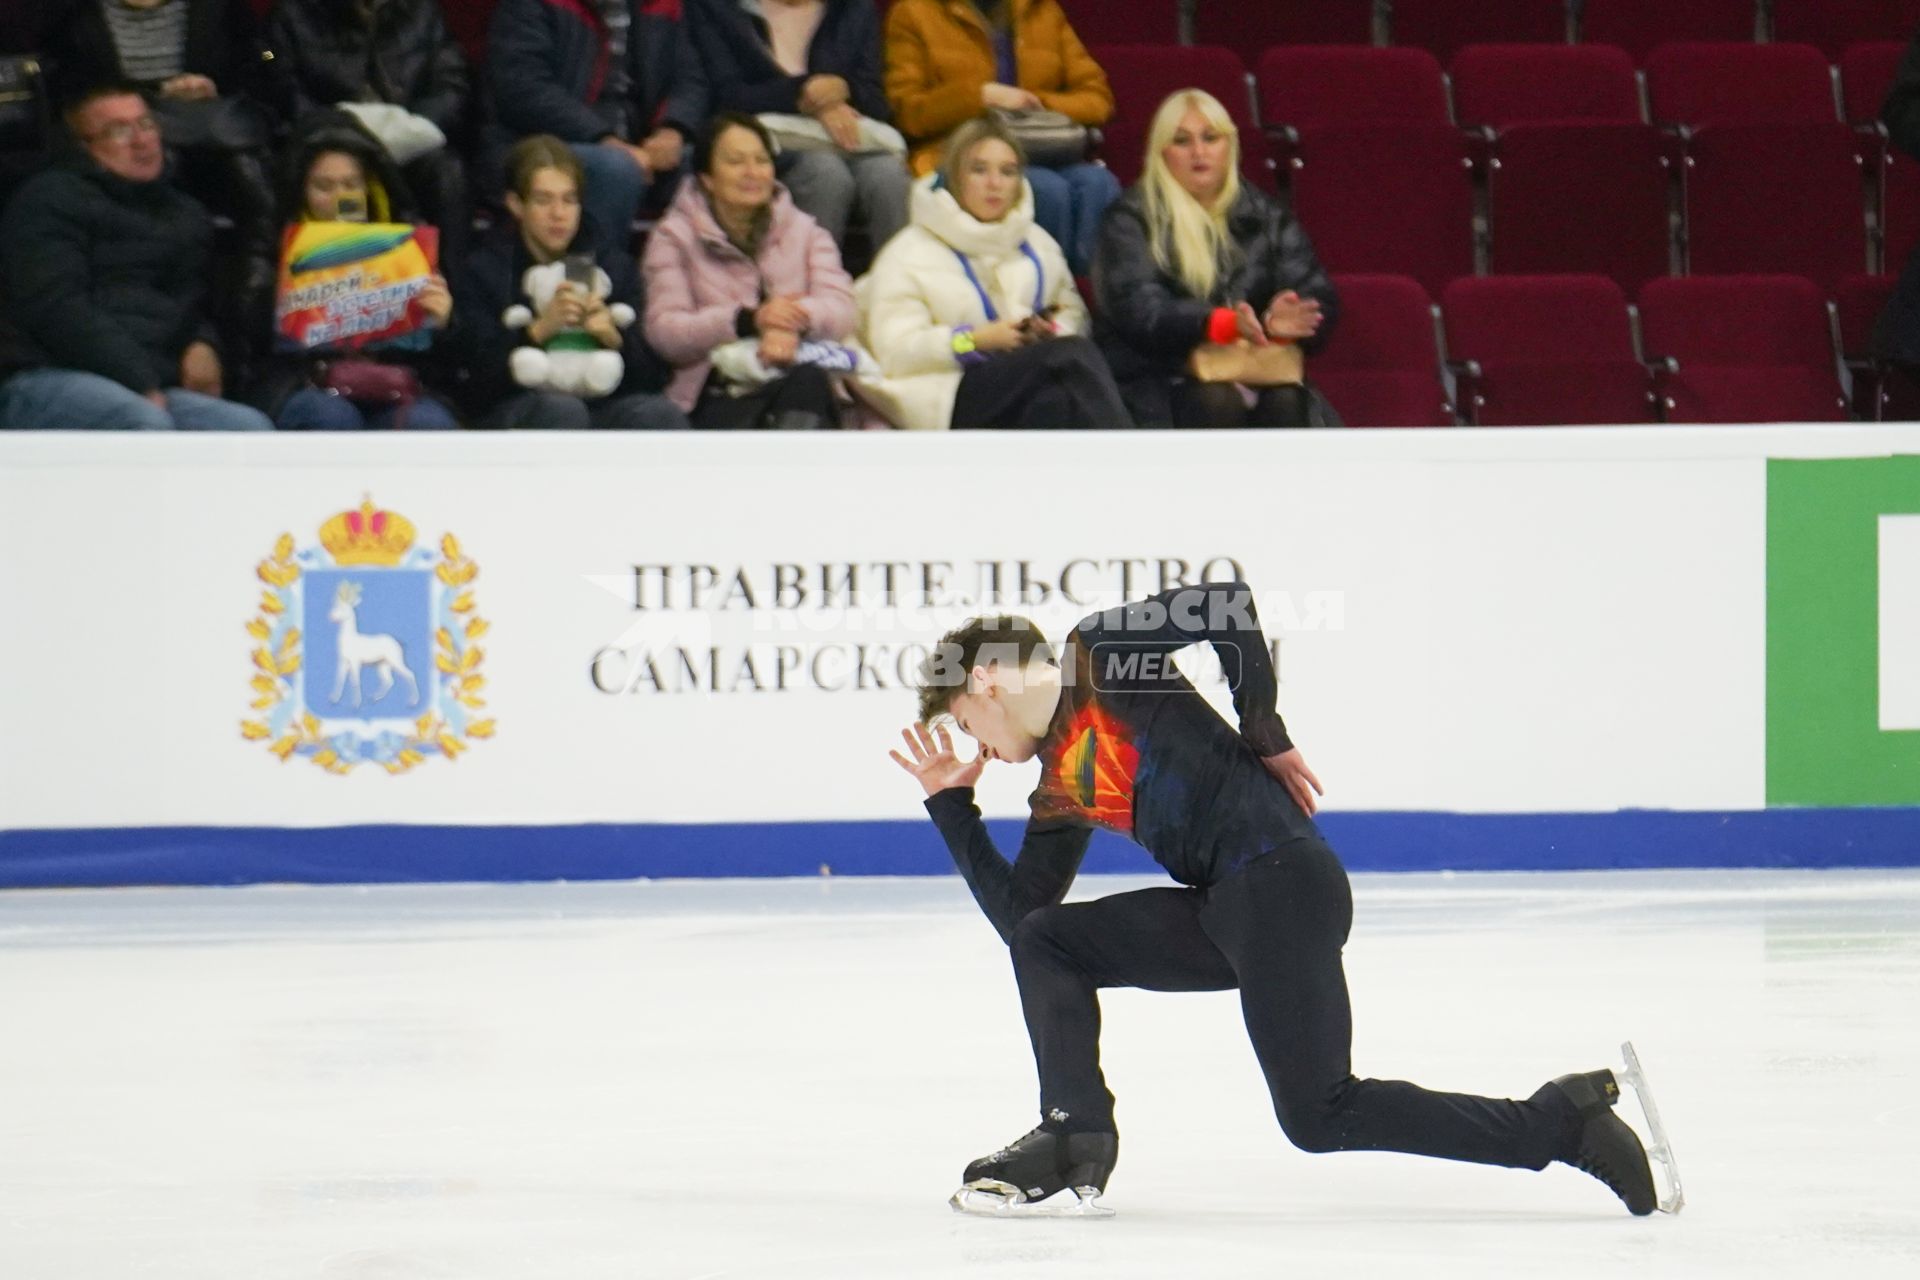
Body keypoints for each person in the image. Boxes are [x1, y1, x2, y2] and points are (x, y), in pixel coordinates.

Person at [888, 580, 1667, 1217]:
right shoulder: (1059, 783)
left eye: (963, 722)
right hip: (1226, 907)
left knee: (1319, 1113)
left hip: (1282, 882)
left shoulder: (1101, 652)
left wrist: (1263, 729)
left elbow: (1225, 607)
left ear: (983, 680)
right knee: (1048, 939)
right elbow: (1022, 919)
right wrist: (952, 808)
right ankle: (1073, 1132)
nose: (976, 747)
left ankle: (1559, 1122)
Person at [0, 83, 272, 430]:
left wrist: (204, 343)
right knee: (142, 424)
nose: (141, 140)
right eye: (119, 131)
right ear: (83, 146)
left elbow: (195, 300)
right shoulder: (47, 200)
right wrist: (137, 380)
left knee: (247, 428)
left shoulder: (184, 211)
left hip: (148, 383)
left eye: (146, 124)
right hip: (46, 374)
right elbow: (55, 307)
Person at [44, 0, 280, 360]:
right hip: (112, 132)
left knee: (250, 179)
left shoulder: (220, 10)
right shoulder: (73, 14)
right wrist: (127, 103)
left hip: (205, 131)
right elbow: (60, 83)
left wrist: (209, 86)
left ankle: (254, 317)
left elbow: (257, 73)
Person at [1093, 89, 1341, 429]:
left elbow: (1317, 294)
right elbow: (1139, 309)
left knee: (1286, 399)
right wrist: (1217, 323)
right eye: (1181, 141)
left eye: (1210, 138)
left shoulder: (1265, 214)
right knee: (1216, 399)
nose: (1199, 152)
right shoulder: (1129, 219)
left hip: (1250, 368)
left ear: (1230, 146)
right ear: (1160, 152)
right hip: (1157, 377)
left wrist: (1284, 323)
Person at [858, 116, 1128, 429]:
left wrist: (1045, 332)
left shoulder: (1038, 242)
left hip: (1027, 379)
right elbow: (897, 353)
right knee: (1068, 356)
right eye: (979, 170)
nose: (995, 184)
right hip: (946, 393)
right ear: (955, 176)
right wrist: (973, 341)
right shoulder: (909, 252)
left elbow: (1072, 314)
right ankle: (1134, 460)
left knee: (1054, 402)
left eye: (1007, 171)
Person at [448, 134, 690, 430]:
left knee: (659, 414)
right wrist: (536, 332)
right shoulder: (484, 270)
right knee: (562, 410)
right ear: (516, 204)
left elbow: (653, 379)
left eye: (569, 200)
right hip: (515, 408)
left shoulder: (611, 267)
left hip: (598, 404)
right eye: (543, 200)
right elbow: (472, 384)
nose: (559, 214)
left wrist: (615, 339)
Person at [643, 112, 857, 429]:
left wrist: (788, 321)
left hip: (800, 378)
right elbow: (665, 331)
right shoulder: (673, 238)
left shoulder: (806, 231)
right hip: (717, 391)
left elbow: (842, 310)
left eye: (761, 160)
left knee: (807, 381)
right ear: (707, 178)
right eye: (735, 161)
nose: (752, 172)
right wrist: (746, 320)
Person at [255, 110, 460, 431]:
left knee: (429, 423)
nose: (340, 198)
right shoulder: (272, 245)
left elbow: (447, 360)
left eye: (351, 184)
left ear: (370, 187)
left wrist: (444, 320)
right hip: (305, 384)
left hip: (393, 385)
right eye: (324, 186)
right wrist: (279, 298)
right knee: (333, 417)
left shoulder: (407, 246)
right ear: (302, 190)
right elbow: (249, 339)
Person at [883, 0, 1119, 276]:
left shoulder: (1042, 9)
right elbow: (908, 112)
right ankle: (1045, 297)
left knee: (1098, 182)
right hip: (965, 153)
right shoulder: (915, 11)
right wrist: (980, 97)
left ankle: (1094, 300)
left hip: (1045, 146)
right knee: (1046, 188)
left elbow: (1098, 98)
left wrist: (1033, 103)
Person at [481, 0, 709, 255]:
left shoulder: (661, 5)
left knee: (710, 162)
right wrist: (604, 138)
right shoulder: (531, 5)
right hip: (545, 142)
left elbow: (691, 77)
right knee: (616, 169)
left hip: (639, 142)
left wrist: (672, 129)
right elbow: (522, 88)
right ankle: (600, 282)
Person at [684, 0, 908, 257]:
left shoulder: (853, 8)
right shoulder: (720, 8)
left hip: (846, 138)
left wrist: (844, 89)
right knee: (825, 173)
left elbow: (877, 103)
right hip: (764, 140)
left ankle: (899, 289)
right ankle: (809, 288)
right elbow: (726, 96)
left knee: (887, 175)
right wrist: (803, 94)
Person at [264, 0, 473, 270]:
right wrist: (339, 130)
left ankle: (445, 290)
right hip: (325, 143)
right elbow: (273, 71)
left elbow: (453, 83)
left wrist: (414, 127)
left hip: (404, 144)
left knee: (449, 172)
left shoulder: (423, 12)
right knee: (327, 174)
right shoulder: (293, 14)